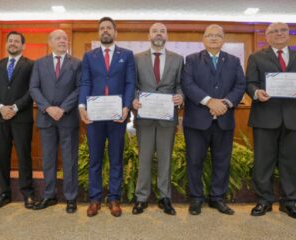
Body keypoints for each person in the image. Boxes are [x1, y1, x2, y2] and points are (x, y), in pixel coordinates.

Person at [246, 22, 296, 220]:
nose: (279, 33)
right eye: (273, 31)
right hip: (265, 117)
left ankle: (289, 203)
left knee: (291, 163)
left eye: (283, 30)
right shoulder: (256, 57)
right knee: (263, 162)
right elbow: (249, 83)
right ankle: (264, 201)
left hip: (294, 118)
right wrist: (256, 92)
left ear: (289, 34)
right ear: (267, 37)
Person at [181, 24, 246, 215]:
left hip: (224, 120)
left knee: (222, 161)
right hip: (196, 121)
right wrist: (209, 101)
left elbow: (240, 85)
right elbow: (187, 84)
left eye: (218, 35)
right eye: (210, 35)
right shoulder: (191, 60)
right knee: (194, 160)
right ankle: (196, 198)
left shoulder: (234, 61)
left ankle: (217, 198)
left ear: (223, 39)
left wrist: (225, 103)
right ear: (203, 39)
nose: (214, 38)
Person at [79, 17, 136, 217]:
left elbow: (130, 83)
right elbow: (85, 82)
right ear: (99, 32)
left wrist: (127, 106)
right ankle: (94, 199)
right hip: (94, 116)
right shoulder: (89, 56)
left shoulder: (127, 55)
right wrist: (81, 106)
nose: (105, 31)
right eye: (102, 28)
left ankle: (114, 198)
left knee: (116, 158)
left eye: (109, 28)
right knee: (95, 158)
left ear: (115, 32)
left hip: (116, 116)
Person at [131, 23, 183, 215]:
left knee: (165, 158)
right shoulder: (136, 59)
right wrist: (133, 99)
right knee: (143, 158)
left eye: (162, 31)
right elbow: (133, 85)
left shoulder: (178, 59)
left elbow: (180, 85)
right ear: (149, 35)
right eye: (155, 31)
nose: (158, 33)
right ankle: (141, 197)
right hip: (144, 116)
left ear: (167, 35)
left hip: (166, 118)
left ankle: (164, 197)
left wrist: (181, 96)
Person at [29, 29, 81, 214]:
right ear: (50, 42)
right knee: (48, 160)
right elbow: (33, 88)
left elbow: (79, 88)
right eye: (58, 38)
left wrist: (63, 108)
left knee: (70, 160)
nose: (62, 41)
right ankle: (49, 195)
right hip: (46, 118)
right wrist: (48, 108)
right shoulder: (39, 64)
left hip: (68, 118)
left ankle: (70, 197)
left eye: (65, 38)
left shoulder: (76, 63)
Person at [0, 31, 35, 209]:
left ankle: (28, 194)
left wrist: (14, 108)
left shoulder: (31, 65)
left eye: (16, 41)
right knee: (2, 157)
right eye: (10, 41)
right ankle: (4, 193)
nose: (13, 43)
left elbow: (32, 90)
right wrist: (0, 108)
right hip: (0, 118)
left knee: (24, 156)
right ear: (7, 44)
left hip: (21, 117)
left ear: (23, 45)